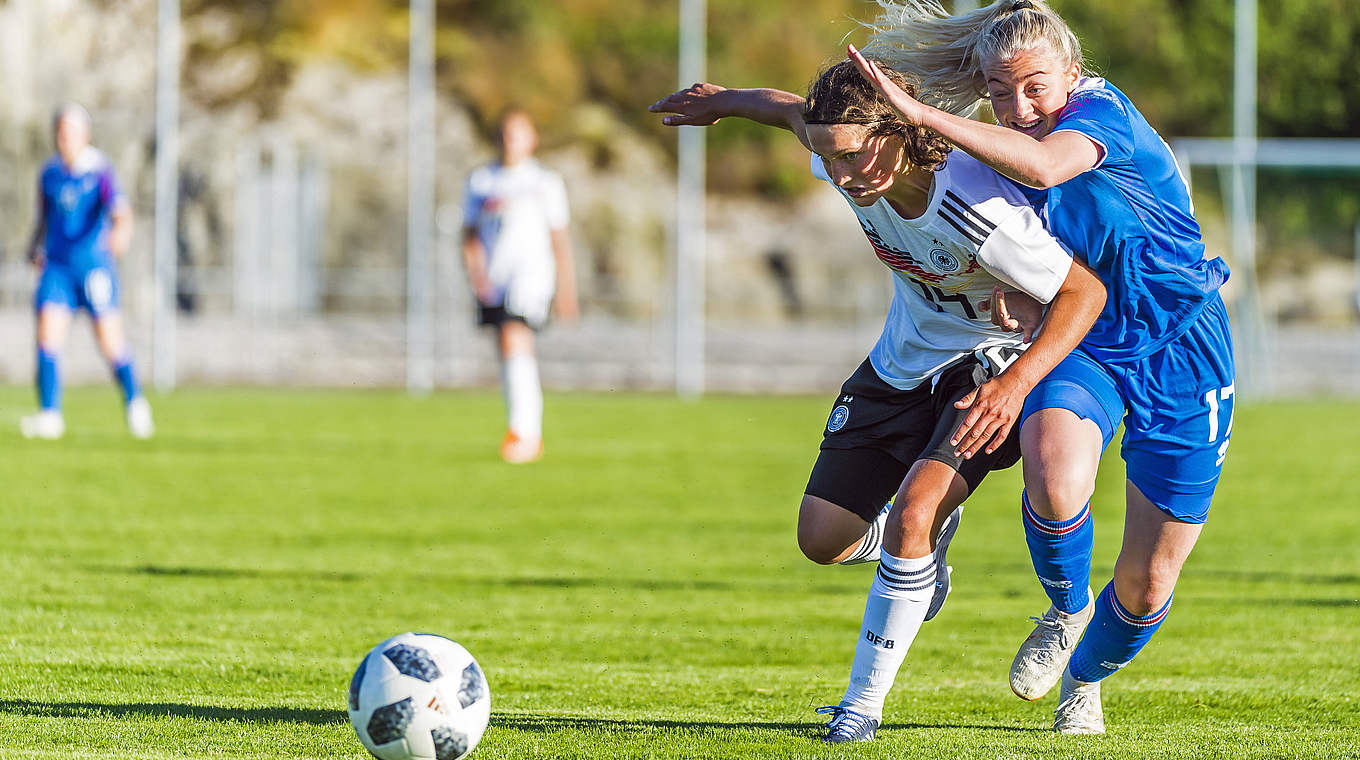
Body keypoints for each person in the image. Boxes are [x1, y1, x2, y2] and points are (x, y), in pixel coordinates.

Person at [650, 59, 1106, 742]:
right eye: (829, 159)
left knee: (911, 514)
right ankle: (919, 556)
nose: (844, 177)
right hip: (900, 364)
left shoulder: (978, 205)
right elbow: (788, 112)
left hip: (986, 369)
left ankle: (860, 709)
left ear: (899, 130)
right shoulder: (845, 151)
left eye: (855, 156)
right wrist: (726, 101)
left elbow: (1085, 293)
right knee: (822, 538)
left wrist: (1015, 386)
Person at [849, 0, 1235, 734]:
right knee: (1052, 467)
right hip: (1086, 341)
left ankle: (1084, 678)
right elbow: (851, 135)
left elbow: (1049, 165)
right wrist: (739, 101)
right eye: (999, 90)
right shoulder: (1002, 143)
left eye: (1034, 87)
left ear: (1075, 75)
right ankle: (1066, 610)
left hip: (1185, 349)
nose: (1018, 106)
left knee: (1149, 585)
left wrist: (926, 115)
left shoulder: (1099, 117)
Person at [21, 103, 153, 440]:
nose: (66, 139)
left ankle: (135, 402)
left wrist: (120, 234)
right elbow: (43, 218)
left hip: (93, 268)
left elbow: (121, 211)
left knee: (110, 341)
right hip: (58, 268)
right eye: (61, 133)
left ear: (85, 135)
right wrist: (33, 248)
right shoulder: (49, 174)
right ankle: (50, 414)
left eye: (72, 133)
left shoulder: (99, 171)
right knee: (46, 336)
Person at [461, 110, 579, 463]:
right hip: (494, 279)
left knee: (515, 338)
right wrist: (476, 273)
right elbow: (469, 235)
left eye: (518, 133)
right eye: (504, 133)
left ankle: (524, 432)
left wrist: (566, 289)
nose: (510, 140)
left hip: (532, 278)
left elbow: (560, 240)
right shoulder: (482, 181)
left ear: (532, 138)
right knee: (507, 347)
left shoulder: (545, 182)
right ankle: (524, 431)